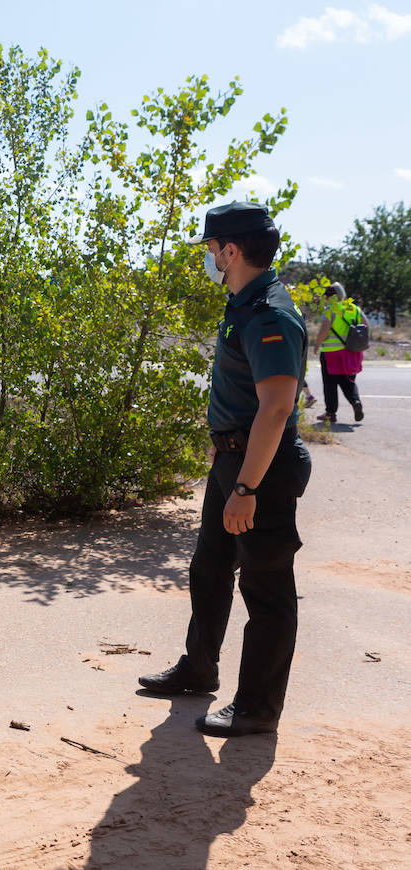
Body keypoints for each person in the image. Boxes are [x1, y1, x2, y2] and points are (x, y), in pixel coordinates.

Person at [139, 202, 312, 737]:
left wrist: (246, 486)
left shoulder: (270, 315)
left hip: (260, 471)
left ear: (231, 251)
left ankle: (258, 707)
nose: (210, 258)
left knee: (266, 588)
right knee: (210, 566)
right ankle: (199, 667)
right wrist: (224, 448)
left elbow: (278, 408)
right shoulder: (245, 303)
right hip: (235, 459)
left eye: (212, 250)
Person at [314, 282, 366, 424]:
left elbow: (325, 328)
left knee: (330, 384)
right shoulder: (353, 308)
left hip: (332, 353)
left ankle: (330, 413)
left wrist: (317, 344)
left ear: (331, 297)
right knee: (348, 381)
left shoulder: (331, 309)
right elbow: (366, 326)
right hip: (352, 352)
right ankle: (355, 401)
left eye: (327, 296)